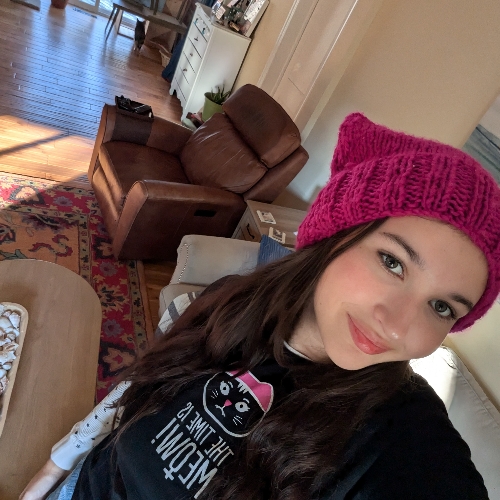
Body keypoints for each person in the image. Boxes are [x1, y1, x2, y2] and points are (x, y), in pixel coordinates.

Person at [21, 113, 500, 500]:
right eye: (393, 263)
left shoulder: (398, 435)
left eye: (442, 307)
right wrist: (56, 464)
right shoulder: (228, 299)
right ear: (335, 237)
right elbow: (137, 388)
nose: (396, 326)